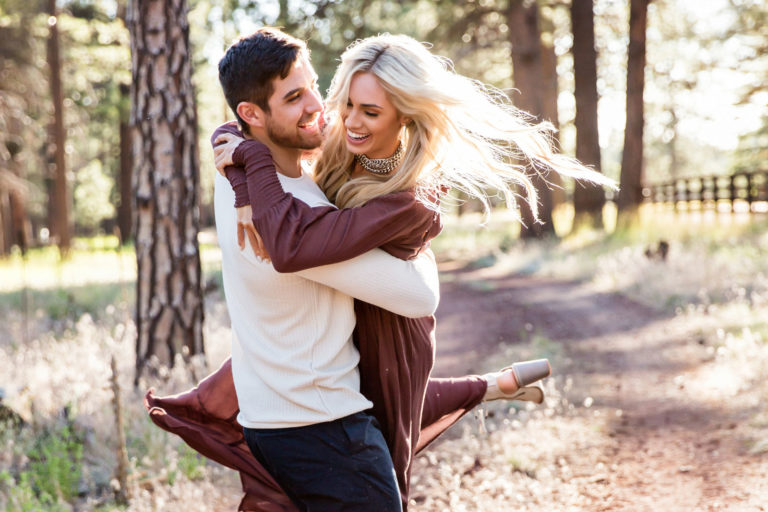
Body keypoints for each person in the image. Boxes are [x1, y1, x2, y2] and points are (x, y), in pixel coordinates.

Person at [146, 28, 548, 512]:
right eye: (294, 97)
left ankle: (489, 386)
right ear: (252, 114)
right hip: (324, 430)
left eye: (313, 86)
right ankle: (487, 387)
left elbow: (230, 132)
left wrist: (246, 151)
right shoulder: (284, 218)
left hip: (284, 423)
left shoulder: (244, 177)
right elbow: (420, 298)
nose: (318, 105)